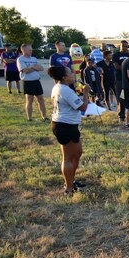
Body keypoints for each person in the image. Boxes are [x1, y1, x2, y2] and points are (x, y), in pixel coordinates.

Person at [47, 66, 91, 195]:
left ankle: (71, 180)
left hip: (66, 124)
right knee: (68, 157)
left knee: (77, 153)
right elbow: (83, 107)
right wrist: (86, 92)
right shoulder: (65, 90)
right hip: (64, 125)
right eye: (70, 72)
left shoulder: (59, 87)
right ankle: (69, 188)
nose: (73, 74)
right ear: (64, 77)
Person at [16, 44, 47, 121]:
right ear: (24, 50)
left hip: (36, 81)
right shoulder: (20, 59)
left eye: (31, 49)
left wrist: (31, 67)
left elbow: (41, 68)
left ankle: (44, 117)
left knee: (41, 99)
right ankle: (29, 118)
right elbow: (25, 71)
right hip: (28, 82)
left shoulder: (34, 58)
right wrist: (35, 67)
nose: (31, 51)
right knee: (29, 100)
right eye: (29, 50)